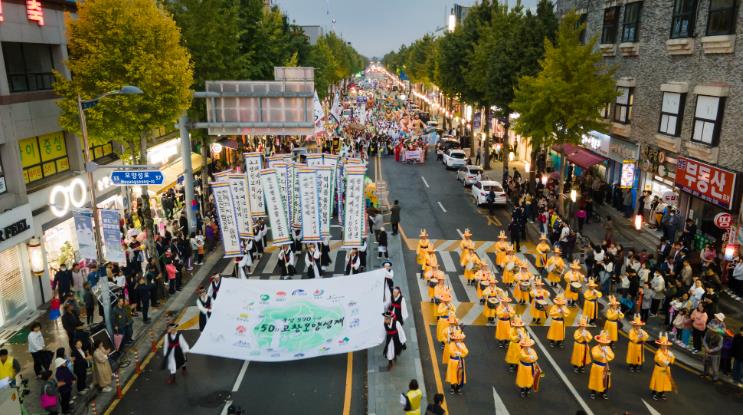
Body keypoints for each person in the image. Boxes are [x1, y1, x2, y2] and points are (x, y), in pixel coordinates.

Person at [588, 330, 614, 400]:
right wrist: (600, 355)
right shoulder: (595, 348)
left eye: (605, 343)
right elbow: (594, 355)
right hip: (596, 366)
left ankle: (603, 393)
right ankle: (593, 392)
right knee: (595, 379)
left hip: (605, 366)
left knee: (605, 380)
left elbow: (612, 356)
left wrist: (606, 353)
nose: (604, 344)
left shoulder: (608, 348)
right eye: (602, 342)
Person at [650, 333, 675, 401]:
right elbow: (659, 359)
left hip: (666, 369)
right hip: (659, 369)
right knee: (657, 381)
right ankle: (654, 393)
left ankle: (661, 393)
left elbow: (672, 359)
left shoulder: (669, 352)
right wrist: (666, 362)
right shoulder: (658, 352)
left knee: (664, 381)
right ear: (660, 345)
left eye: (665, 345)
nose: (664, 347)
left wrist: (671, 357)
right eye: (663, 345)